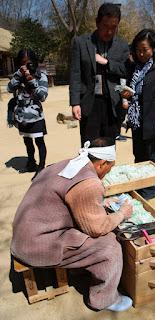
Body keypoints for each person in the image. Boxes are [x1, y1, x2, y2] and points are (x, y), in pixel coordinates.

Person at [11, 137, 133, 312]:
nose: (108, 173)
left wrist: (101, 203)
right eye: (109, 168)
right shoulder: (89, 184)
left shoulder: (67, 163)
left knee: (91, 231)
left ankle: (80, 269)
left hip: (26, 234)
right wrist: (122, 213)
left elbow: (68, 198)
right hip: (35, 246)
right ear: (101, 163)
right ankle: (104, 300)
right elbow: (97, 229)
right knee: (110, 245)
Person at [121, 29, 155, 200]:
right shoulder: (132, 66)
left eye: (145, 49)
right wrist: (125, 94)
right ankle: (139, 186)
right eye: (138, 50)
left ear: (154, 48)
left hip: (154, 119)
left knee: (151, 156)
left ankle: (149, 193)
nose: (141, 53)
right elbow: (128, 87)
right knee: (139, 154)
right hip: (136, 120)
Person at [70, 3, 129, 146]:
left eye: (113, 28)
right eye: (105, 26)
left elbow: (126, 70)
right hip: (90, 103)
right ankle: (89, 169)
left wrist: (106, 63)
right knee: (88, 147)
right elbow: (75, 73)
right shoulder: (81, 43)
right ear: (97, 22)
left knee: (108, 149)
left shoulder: (122, 46)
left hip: (112, 104)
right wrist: (75, 102)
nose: (109, 32)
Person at [7, 49, 48, 180]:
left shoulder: (41, 76)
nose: (25, 66)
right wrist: (19, 75)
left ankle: (41, 168)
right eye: (22, 63)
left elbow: (42, 96)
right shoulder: (18, 75)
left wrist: (32, 81)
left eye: (28, 63)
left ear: (34, 62)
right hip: (22, 116)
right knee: (27, 141)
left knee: (39, 141)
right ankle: (31, 163)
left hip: (36, 116)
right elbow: (9, 88)